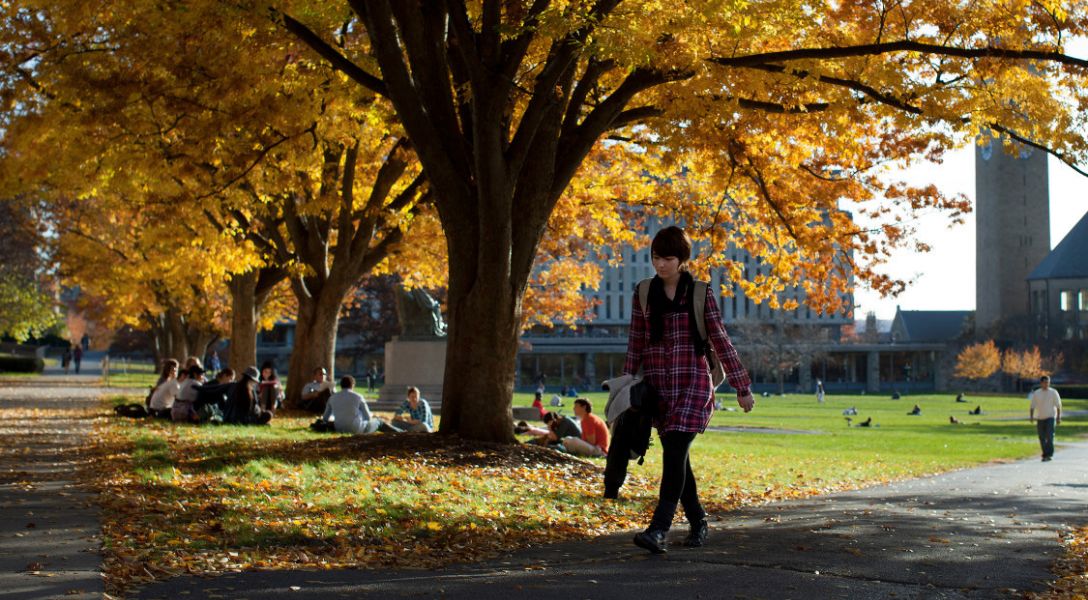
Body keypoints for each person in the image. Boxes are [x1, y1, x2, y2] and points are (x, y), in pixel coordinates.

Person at [624, 226, 753, 554]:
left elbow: (721, 339)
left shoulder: (699, 292)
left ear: (681, 259)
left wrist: (742, 387)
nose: (660, 264)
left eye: (667, 258)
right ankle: (699, 523)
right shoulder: (642, 293)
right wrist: (625, 386)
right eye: (655, 257)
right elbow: (635, 343)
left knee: (676, 449)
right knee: (676, 457)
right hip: (659, 389)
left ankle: (658, 529)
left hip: (694, 385)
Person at [322, 375, 397, 434]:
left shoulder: (332, 398)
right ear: (353, 385)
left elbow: (325, 418)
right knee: (379, 422)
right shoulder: (358, 397)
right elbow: (367, 417)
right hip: (357, 429)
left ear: (341, 385)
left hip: (339, 428)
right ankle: (401, 432)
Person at [1029, 375, 1062, 462]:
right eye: (1044, 382)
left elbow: (1058, 406)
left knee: (1050, 436)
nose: (1046, 384)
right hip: (1040, 418)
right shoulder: (1037, 393)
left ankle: (1049, 454)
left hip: (1051, 417)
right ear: (1041, 383)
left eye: (1048, 382)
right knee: (1042, 437)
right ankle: (1045, 453)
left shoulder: (1053, 392)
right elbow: (1032, 406)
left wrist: (1058, 417)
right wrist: (1031, 417)